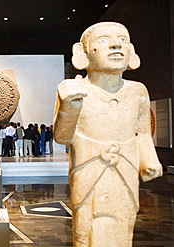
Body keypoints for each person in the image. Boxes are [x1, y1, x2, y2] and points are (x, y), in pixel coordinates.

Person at [53, 22, 162, 246]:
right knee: (88, 226)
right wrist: (68, 107)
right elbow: (63, 138)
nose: (115, 45)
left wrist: (149, 159)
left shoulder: (137, 91)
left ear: (131, 51)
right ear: (83, 53)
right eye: (103, 40)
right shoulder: (75, 90)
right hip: (88, 171)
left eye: (123, 40)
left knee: (124, 221)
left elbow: (142, 131)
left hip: (126, 169)